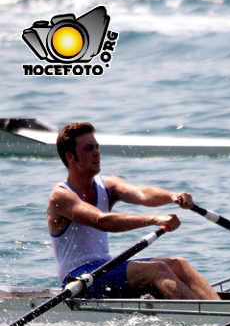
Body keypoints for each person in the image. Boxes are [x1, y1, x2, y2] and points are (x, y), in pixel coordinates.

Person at [47, 122, 220, 300]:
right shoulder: (60, 197)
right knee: (157, 269)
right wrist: (154, 219)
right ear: (71, 157)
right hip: (78, 278)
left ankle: (221, 310)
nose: (97, 152)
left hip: (105, 268)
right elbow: (102, 221)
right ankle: (205, 318)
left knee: (179, 264)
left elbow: (143, 193)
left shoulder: (109, 185)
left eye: (97, 147)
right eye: (89, 148)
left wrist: (172, 196)